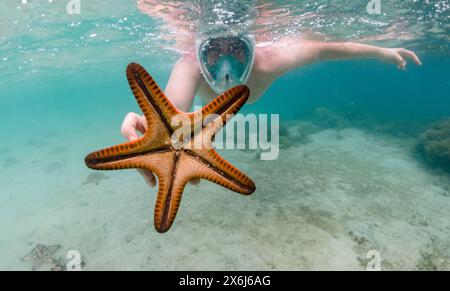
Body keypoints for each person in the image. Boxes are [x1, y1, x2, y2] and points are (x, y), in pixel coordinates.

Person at [121, 3, 422, 187]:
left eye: (237, 50)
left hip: (230, 103)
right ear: (200, 52)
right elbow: (170, 113)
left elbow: (324, 50)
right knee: (195, 122)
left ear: (251, 49)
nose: (226, 65)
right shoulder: (189, 66)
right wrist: (150, 130)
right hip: (208, 111)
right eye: (214, 52)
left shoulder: (271, 60)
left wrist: (381, 51)